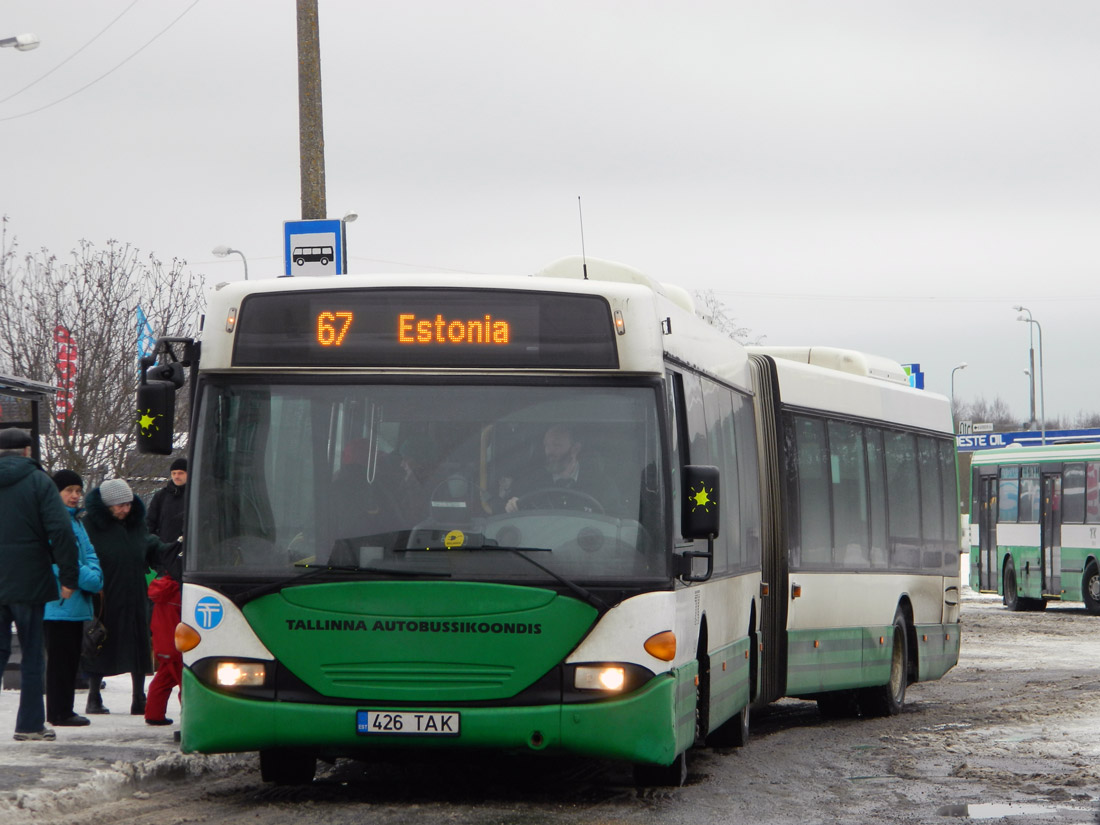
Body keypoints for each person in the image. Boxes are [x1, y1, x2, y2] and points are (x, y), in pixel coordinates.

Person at [0, 428, 78, 741]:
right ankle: (30, 724)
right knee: (32, 652)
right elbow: (60, 531)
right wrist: (69, 576)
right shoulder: (39, 482)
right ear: (28, 452)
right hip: (29, 581)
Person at [81, 478, 169, 716]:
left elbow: (146, 545)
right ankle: (93, 696)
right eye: (119, 505)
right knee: (100, 643)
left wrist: (163, 549)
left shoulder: (135, 524)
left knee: (139, 645)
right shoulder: (89, 524)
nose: (125, 509)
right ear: (107, 505)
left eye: (128, 504)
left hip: (134, 592)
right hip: (105, 595)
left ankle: (139, 698)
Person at [43, 469, 104, 728]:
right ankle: (58, 712)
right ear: (56, 493)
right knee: (59, 661)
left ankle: (64, 710)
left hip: (75, 604)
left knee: (69, 660)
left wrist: (91, 575)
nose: (75, 496)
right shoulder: (51, 521)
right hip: (57, 605)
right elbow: (55, 562)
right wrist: (89, 578)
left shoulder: (78, 522)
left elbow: (91, 557)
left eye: (78, 491)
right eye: (69, 491)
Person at [499, 424, 619, 514]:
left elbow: (618, 520)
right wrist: (512, 506)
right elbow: (510, 513)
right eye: (546, 445)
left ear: (575, 449)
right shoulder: (531, 482)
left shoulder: (602, 485)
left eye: (557, 445)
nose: (549, 452)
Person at [146, 457, 187, 543]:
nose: (176, 476)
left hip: (190, 550)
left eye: (180, 473)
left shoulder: (196, 495)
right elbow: (149, 523)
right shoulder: (161, 496)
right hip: (165, 549)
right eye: (174, 473)